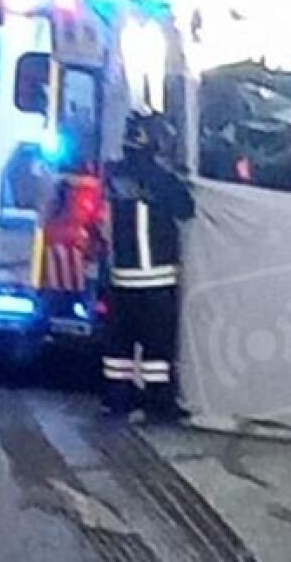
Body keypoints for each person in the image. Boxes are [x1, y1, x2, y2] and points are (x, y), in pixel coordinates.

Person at [101, 113, 195, 422]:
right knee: (157, 347)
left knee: (120, 347)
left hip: (121, 279)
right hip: (155, 279)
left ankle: (117, 400)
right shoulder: (159, 178)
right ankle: (159, 405)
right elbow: (186, 208)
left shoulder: (114, 175)